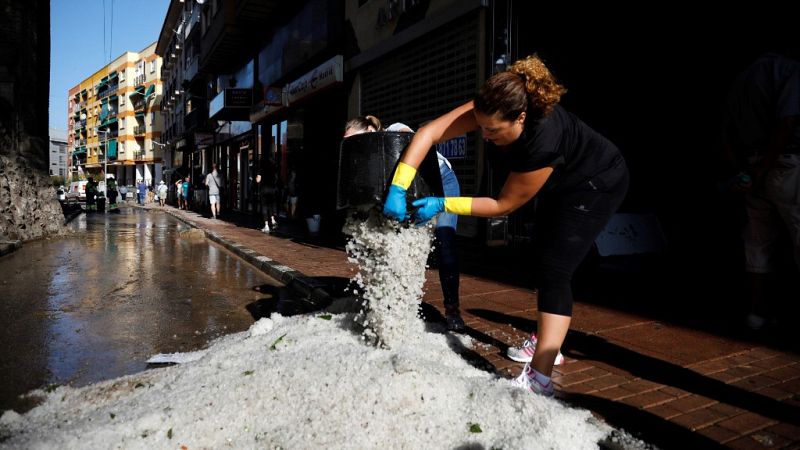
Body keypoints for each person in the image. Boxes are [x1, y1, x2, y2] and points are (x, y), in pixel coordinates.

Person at [382, 55, 629, 396]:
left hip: (596, 181)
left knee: (555, 268)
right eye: (480, 126)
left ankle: (539, 377)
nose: (484, 135)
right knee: (542, 251)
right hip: (560, 179)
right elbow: (429, 132)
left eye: (493, 130)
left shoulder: (543, 139)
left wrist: (443, 204)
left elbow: (505, 204)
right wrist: (399, 185)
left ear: (521, 118)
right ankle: (548, 339)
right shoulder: (494, 105)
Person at [344, 116, 467, 332]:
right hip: (408, 190)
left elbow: (412, 138)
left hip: (440, 180)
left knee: (444, 242)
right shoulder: (370, 163)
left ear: (372, 130)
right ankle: (394, 306)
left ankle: (452, 310)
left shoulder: (395, 129)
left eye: (359, 139)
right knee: (394, 247)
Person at [720, 50, 800, 331]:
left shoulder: (742, 78)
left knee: (757, 242)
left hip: (753, 168)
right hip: (783, 166)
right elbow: (787, 123)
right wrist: (761, 170)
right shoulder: (789, 71)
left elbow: (725, 132)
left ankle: (758, 313)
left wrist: (745, 172)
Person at [257, 159, 279, 234]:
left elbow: (258, 180)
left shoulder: (261, 169)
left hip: (264, 190)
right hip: (272, 190)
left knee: (264, 207)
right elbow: (276, 179)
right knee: (270, 205)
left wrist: (256, 178)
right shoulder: (273, 170)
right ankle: (273, 220)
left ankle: (266, 225)